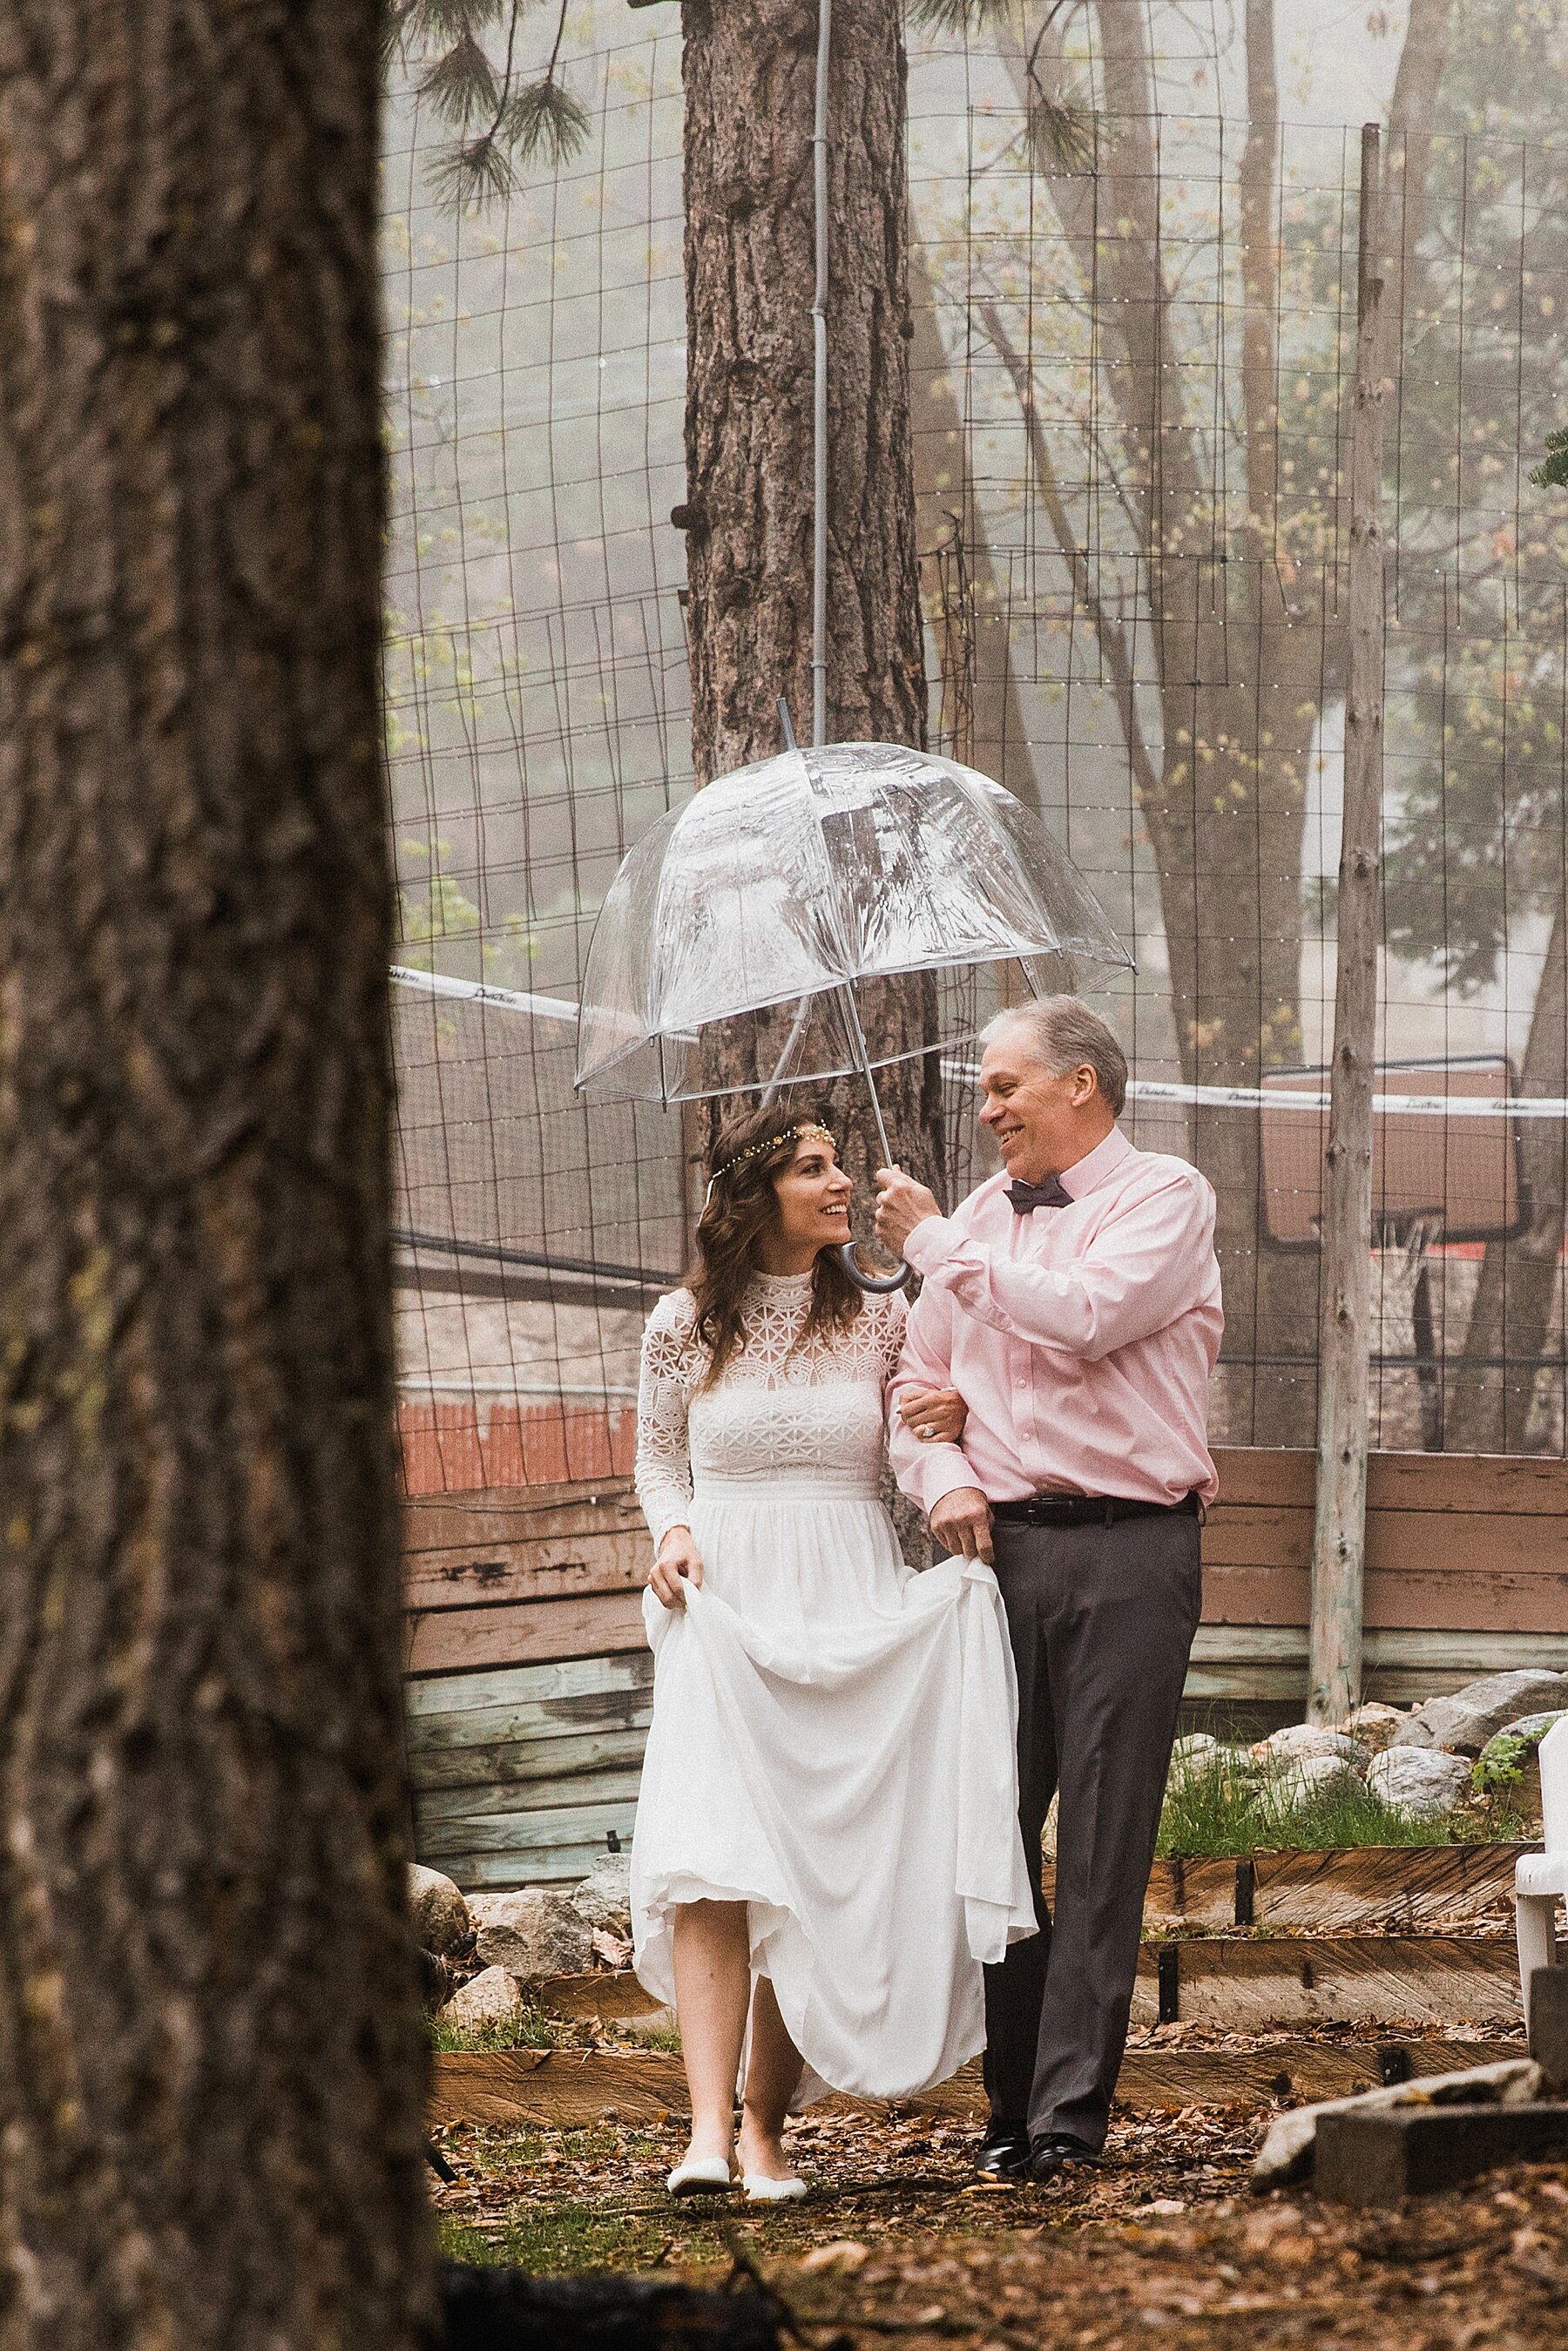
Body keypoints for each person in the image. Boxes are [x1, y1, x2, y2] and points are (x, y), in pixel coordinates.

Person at [631, 1102, 1037, 2201]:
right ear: (755, 1193)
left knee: (813, 1871)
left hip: (849, 1593)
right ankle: (706, 2132)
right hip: (725, 1606)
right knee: (714, 1861)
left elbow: (923, 1421)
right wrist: (671, 1530)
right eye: (814, 1167)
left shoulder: (878, 1315)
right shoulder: (681, 1323)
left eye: (839, 1163)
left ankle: (768, 2128)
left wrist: (958, 1412)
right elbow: (661, 1461)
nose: (841, 1180)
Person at [875, 997, 1222, 2188]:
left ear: (1082, 1082)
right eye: (983, 1085)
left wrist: (933, 1251)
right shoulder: (978, 1220)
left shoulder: (1166, 1197)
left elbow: (1085, 1320)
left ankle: (1073, 2117)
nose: (987, 1107)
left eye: (1005, 1083)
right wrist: (948, 1473)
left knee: (1105, 1845)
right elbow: (911, 1398)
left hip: (1134, 1551)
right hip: (997, 1558)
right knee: (996, 1831)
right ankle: (1008, 2105)